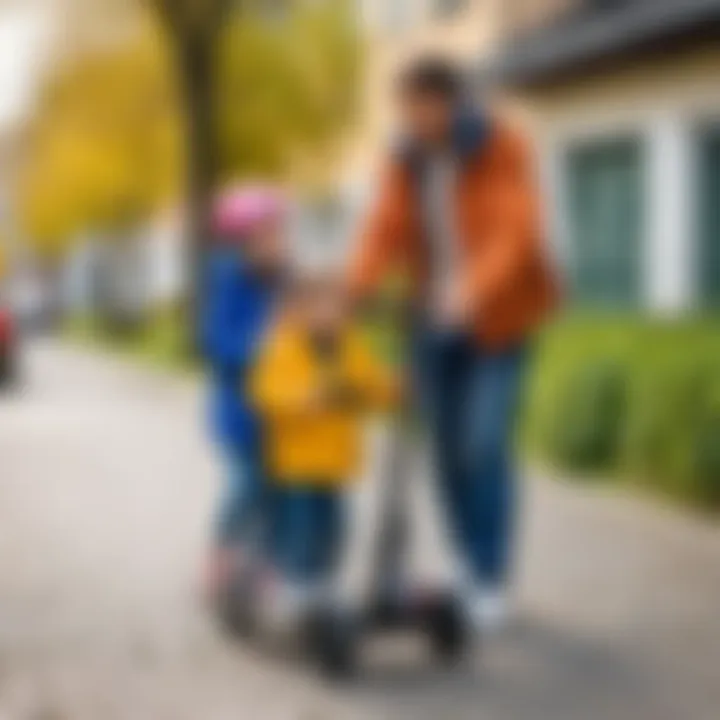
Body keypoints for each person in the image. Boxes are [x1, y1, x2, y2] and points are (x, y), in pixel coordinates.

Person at [347, 56, 559, 632]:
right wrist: (353, 289)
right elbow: (383, 228)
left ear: (447, 102)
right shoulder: (404, 158)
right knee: (441, 449)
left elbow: (520, 232)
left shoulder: (502, 145)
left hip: (497, 321)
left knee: (483, 444)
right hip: (430, 323)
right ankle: (466, 563)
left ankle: (490, 580)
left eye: (417, 106)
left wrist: (471, 289)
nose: (408, 118)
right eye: (402, 107)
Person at [250, 273, 400, 623]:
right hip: (297, 465)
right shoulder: (284, 347)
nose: (331, 315)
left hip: (335, 463)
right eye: (321, 307)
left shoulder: (351, 347)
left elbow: (369, 385)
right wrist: (304, 399)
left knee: (335, 526)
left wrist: (392, 390)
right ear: (300, 310)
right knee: (299, 526)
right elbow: (266, 393)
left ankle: (324, 581)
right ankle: (294, 584)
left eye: (338, 308)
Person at [201, 185, 287, 600]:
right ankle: (223, 552)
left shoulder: (285, 281)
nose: (275, 242)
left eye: (278, 233)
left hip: (283, 410)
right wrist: (257, 349)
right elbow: (217, 341)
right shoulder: (228, 281)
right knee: (245, 487)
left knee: (279, 491)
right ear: (242, 241)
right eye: (265, 234)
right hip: (240, 411)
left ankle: (267, 562)